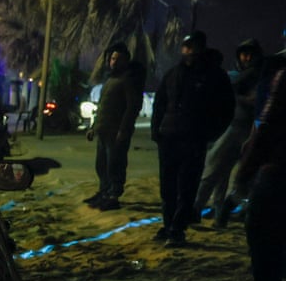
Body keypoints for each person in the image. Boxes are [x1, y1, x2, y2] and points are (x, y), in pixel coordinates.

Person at [150, 31, 234, 246]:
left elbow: (226, 109)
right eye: (186, 46)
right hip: (168, 138)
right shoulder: (173, 74)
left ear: (202, 48)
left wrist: (209, 134)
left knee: (186, 186)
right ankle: (168, 225)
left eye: (194, 47)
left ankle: (178, 229)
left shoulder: (214, 75)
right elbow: (160, 103)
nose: (189, 51)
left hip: (193, 139)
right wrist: (156, 131)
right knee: (167, 186)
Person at [229, 55, 286, 281]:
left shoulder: (281, 73)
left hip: (279, 167)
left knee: (263, 234)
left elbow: (269, 124)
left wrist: (245, 171)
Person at [198, 39, 265, 227]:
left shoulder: (261, 77)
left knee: (242, 177)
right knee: (217, 171)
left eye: (251, 54)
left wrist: (236, 96)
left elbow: (257, 101)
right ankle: (213, 209)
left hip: (249, 130)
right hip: (231, 127)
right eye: (244, 54)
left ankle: (211, 211)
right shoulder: (237, 76)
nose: (247, 57)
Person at [84, 43, 144, 210]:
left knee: (115, 165)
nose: (114, 62)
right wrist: (93, 127)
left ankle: (113, 195)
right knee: (101, 165)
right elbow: (103, 106)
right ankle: (104, 192)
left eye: (118, 59)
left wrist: (124, 130)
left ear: (126, 61)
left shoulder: (128, 80)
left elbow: (133, 107)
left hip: (116, 132)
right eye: (112, 58)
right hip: (103, 131)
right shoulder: (110, 79)